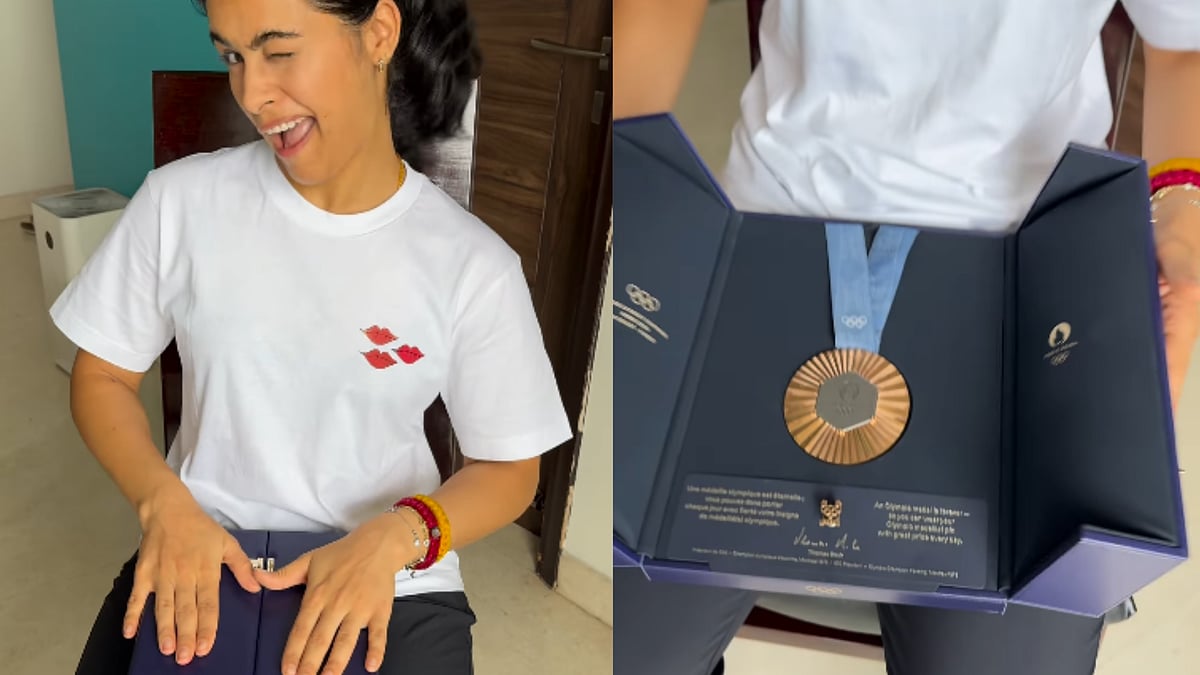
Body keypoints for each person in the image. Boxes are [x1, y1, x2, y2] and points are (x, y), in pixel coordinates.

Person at [614, 1, 1200, 674]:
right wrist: (627, 190)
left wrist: (1181, 220)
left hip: (1027, 257)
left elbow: (1184, 45)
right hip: (767, 232)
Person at [56, 1, 571, 674]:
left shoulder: (473, 265)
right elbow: (102, 375)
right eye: (232, 56)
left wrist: (397, 537)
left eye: (279, 51)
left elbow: (511, 470)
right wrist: (164, 504)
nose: (251, 94)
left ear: (379, 33)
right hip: (203, 547)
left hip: (391, 570)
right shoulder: (179, 202)